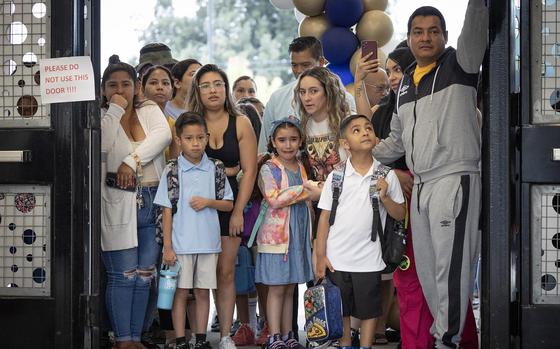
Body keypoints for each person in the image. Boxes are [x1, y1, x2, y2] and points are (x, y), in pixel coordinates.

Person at [373, 2, 488, 347]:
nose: (426, 38)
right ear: (408, 38)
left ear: (445, 36)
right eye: (418, 32)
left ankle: (446, 340)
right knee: (427, 273)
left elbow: (476, 26)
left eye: (433, 31)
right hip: (420, 188)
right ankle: (445, 337)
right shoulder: (406, 84)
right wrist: (358, 153)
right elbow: (395, 141)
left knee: (449, 271)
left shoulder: (460, 63)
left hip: (454, 178)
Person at [315, 114, 405, 349]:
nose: (365, 132)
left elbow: (401, 214)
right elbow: (324, 217)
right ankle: (345, 343)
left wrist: (384, 198)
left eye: (369, 128)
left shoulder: (386, 175)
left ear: (375, 138)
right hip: (337, 257)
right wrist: (320, 255)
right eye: (356, 130)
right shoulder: (336, 176)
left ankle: (365, 346)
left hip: (369, 259)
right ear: (346, 144)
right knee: (342, 308)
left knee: (369, 309)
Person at [101, 55, 172, 349]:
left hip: (152, 199)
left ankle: (135, 336)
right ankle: (123, 339)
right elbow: (100, 146)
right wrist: (115, 109)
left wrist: (130, 161)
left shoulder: (150, 110)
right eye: (113, 85)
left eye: (126, 84)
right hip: (118, 199)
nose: (120, 90)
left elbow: (163, 136)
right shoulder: (103, 115)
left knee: (145, 275)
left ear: (137, 86)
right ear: (103, 89)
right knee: (123, 274)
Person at [188, 64, 258, 349]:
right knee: (198, 273)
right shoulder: (190, 123)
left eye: (218, 84)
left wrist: (239, 210)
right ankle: (197, 335)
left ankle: (226, 334)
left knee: (226, 272)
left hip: (231, 207)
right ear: (197, 91)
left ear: (226, 89)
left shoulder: (240, 122)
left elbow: (250, 171)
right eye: (205, 85)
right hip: (196, 208)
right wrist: (225, 170)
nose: (213, 90)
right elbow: (181, 164)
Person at [154, 112, 235, 349]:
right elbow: (166, 211)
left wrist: (208, 202)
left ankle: (200, 339)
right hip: (180, 245)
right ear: (178, 140)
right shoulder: (171, 170)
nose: (196, 143)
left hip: (209, 243)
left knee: (202, 292)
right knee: (180, 293)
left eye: (200, 137)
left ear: (207, 138)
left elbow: (228, 203)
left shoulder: (215, 167)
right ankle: (181, 340)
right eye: (189, 138)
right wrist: (168, 248)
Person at [255, 118, 314, 349]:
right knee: (277, 287)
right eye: (282, 140)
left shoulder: (301, 165)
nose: (288, 145)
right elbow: (274, 198)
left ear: (300, 141)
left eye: (293, 139)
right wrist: (306, 189)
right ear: (273, 142)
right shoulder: (269, 168)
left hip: (297, 235)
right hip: (276, 238)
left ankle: (289, 334)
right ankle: (274, 336)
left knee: (290, 287)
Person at [258, 36, 356, 153]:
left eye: (305, 65)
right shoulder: (277, 98)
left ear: (321, 62)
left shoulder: (343, 98)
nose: (299, 70)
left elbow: (355, 143)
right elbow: (264, 148)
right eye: (294, 65)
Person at [294, 66, 350, 182]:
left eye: (314, 91)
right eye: (302, 92)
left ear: (328, 92)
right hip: (320, 196)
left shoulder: (347, 121)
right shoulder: (303, 126)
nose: (306, 98)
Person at [142, 65, 180, 160]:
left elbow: (174, 163)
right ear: (142, 89)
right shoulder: (135, 120)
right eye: (153, 83)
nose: (160, 87)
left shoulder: (174, 125)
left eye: (165, 83)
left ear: (172, 92)